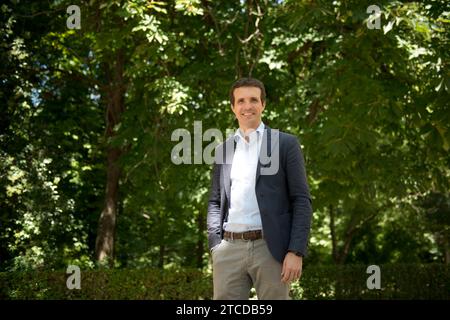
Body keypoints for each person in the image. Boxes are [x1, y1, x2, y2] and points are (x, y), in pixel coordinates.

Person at [207, 77, 313, 300]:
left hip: (271, 248)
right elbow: (215, 202)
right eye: (241, 101)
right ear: (233, 107)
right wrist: (215, 245)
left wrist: (296, 251)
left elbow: (301, 200)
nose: (248, 106)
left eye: (254, 100)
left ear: (263, 104)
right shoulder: (223, 150)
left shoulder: (284, 144)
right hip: (228, 249)